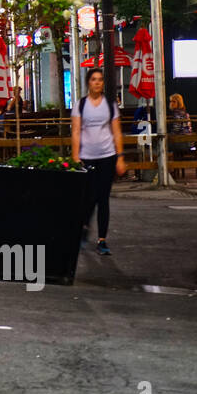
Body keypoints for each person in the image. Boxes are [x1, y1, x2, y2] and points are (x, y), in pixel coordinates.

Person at [71, 68, 125, 256]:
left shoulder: (110, 105)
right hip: (87, 156)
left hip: (107, 156)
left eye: (100, 80)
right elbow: (76, 131)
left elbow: (116, 131)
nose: (97, 83)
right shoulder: (81, 105)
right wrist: (75, 156)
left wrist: (120, 157)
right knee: (88, 197)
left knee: (103, 199)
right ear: (88, 82)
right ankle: (84, 228)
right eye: (94, 79)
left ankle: (102, 239)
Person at [168, 93, 193, 182]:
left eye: (173, 101)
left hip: (183, 142)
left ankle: (169, 170)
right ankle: (173, 170)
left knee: (163, 146)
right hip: (188, 142)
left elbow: (176, 129)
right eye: (170, 101)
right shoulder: (184, 112)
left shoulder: (177, 113)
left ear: (178, 102)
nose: (171, 103)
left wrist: (168, 135)